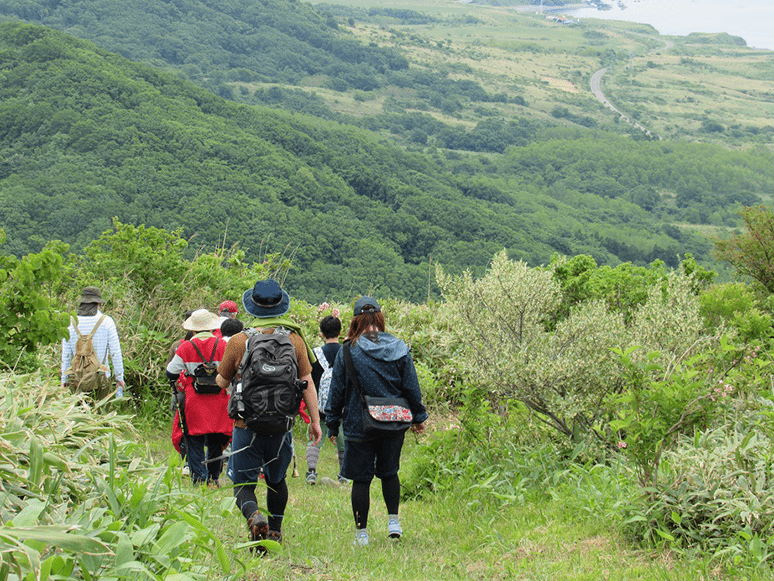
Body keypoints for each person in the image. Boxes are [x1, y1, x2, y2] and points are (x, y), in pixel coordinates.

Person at [215, 279, 322, 549]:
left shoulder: (240, 340)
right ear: (280, 305)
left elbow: (222, 382)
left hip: (246, 424)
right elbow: (307, 381)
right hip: (281, 426)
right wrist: (315, 421)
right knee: (277, 480)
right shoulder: (295, 339)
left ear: (253, 307)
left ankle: (253, 515)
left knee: (243, 482)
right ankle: (275, 530)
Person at [325, 297, 427, 547]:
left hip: (359, 423)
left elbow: (337, 390)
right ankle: (394, 521)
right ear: (380, 319)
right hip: (394, 421)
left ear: (355, 321)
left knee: (361, 479)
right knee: (390, 472)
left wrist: (331, 422)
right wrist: (419, 416)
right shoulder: (399, 347)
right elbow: (411, 387)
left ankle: (362, 534)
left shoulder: (348, 349)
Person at [167, 309, 232, 486]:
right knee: (216, 440)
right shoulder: (222, 345)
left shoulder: (186, 347)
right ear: (212, 327)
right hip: (219, 399)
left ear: (193, 329)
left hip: (194, 400)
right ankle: (213, 476)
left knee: (193, 440)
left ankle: (199, 478)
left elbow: (171, 371)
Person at [61, 286, 125, 399]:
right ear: (98, 304)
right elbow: (115, 353)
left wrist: (64, 380)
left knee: (78, 414)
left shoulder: (70, 323)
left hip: (76, 379)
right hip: (101, 378)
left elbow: (66, 355)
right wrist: (119, 378)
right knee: (100, 413)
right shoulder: (107, 322)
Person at [305, 314, 346, 485]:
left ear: (322, 333)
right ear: (340, 332)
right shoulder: (347, 353)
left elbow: (309, 380)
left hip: (319, 406)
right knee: (344, 439)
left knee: (315, 438)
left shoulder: (314, 354)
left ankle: (311, 473)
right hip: (342, 406)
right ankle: (344, 474)